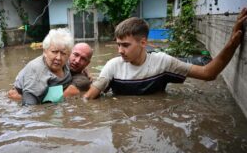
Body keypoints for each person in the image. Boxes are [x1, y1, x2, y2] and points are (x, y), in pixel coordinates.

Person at [83, 7, 247, 100]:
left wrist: (231, 44)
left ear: (143, 43)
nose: (120, 51)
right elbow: (88, 99)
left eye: (125, 45)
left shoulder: (163, 62)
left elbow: (208, 73)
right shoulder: (113, 66)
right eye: (118, 45)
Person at [8, 31, 93, 104]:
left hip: (57, 90)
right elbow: (30, 108)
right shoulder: (37, 71)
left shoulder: (67, 61)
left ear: (68, 54)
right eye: (54, 52)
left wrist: (87, 72)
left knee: (84, 82)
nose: (59, 58)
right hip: (30, 94)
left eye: (63, 53)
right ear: (45, 51)